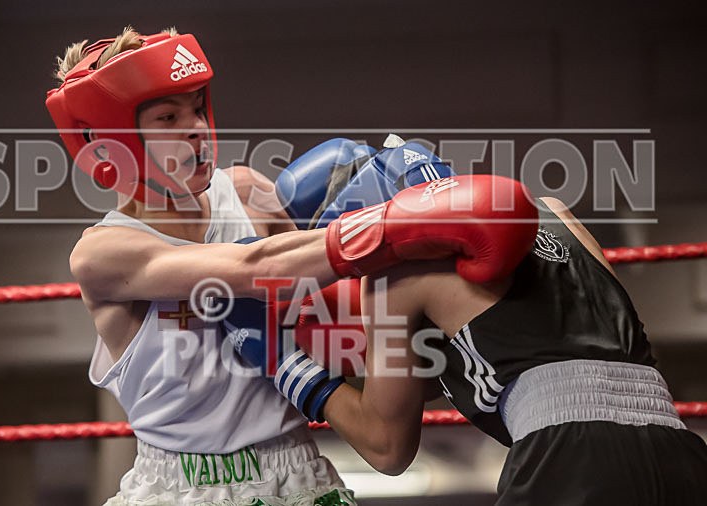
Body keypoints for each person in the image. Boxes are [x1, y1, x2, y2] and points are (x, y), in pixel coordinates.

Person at [47, 28, 538, 505]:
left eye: (197, 107)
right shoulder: (102, 254)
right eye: (168, 118)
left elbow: (325, 319)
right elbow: (251, 266)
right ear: (110, 142)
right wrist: (394, 225)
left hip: (297, 471)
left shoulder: (244, 193)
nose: (195, 126)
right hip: (179, 487)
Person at [265, 138, 707, 505]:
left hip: (570, 458)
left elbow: (387, 447)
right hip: (681, 451)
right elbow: (551, 351)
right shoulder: (553, 212)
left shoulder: (390, 270)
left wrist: (287, 366)